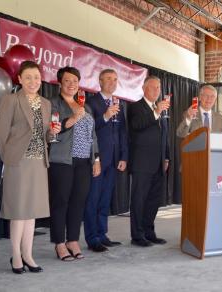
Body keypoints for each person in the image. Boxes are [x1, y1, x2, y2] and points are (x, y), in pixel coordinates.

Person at [0, 60, 60, 274]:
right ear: (20, 79)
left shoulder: (45, 103)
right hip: (18, 161)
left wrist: (53, 133)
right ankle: (16, 255)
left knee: (31, 212)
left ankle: (28, 255)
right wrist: (8, 158)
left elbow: (46, 136)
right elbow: (1, 132)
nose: (33, 81)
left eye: (37, 77)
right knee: (18, 211)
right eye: (29, 77)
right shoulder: (10, 100)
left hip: (38, 162)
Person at [48, 67, 101, 260]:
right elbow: (52, 130)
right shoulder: (53, 104)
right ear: (60, 83)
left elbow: (92, 135)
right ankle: (59, 243)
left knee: (78, 201)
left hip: (84, 161)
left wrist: (96, 159)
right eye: (68, 81)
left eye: (75, 81)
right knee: (60, 202)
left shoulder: (85, 107)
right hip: (62, 160)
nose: (72, 84)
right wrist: (71, 119)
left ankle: (72, 240)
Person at [84, 69, 128, 252]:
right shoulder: (91, 101)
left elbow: (123, 132)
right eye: (108, 79)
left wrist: (124, 156)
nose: (112, 82)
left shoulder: (118, 103)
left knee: (105, 199)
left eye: (115, 79)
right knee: (93, 199)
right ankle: (92, 238)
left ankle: (102, 234)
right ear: (100, 81)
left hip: (114, 159)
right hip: (98, 159)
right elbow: (89, 128)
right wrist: (105, 116)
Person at [128, 75, 170, 247]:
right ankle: (137, 236)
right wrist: (156, 112)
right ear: (144, 89)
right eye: (153, 87)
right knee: (139, 200)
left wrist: (166, 156)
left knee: (153, 200)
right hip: (142, 163)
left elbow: (164, 135)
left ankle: (149, 232)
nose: (156, 91)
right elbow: (137, 125)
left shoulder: (159, 108)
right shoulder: (135, 107)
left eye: (158, 88)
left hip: (158, 163)